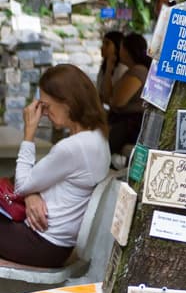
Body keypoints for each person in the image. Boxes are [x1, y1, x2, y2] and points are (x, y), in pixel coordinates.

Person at [0, 64, 110, 268]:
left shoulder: (72, 147)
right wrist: (33, 194)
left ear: (67, 103)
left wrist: (29, 134)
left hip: (39, 242)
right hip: (54, 245)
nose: (44, 114)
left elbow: (22, 186)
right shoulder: (97, 137)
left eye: (46, 106)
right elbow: (34, 183)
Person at [106, 32, 152, 156]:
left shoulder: (138, 71)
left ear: (126, 50)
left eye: (121, 47)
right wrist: (109, 67)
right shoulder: (131, 70)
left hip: (129, 125)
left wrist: (112, 101)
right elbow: (107, 97)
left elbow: (118, 102)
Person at [96, 29, 125, 103]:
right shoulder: (104, 64)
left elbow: (107, 97)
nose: (102, 47)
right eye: (103, 43)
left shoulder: (122, 68)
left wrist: (109, 69)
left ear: (117, 47)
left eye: (107, 44)